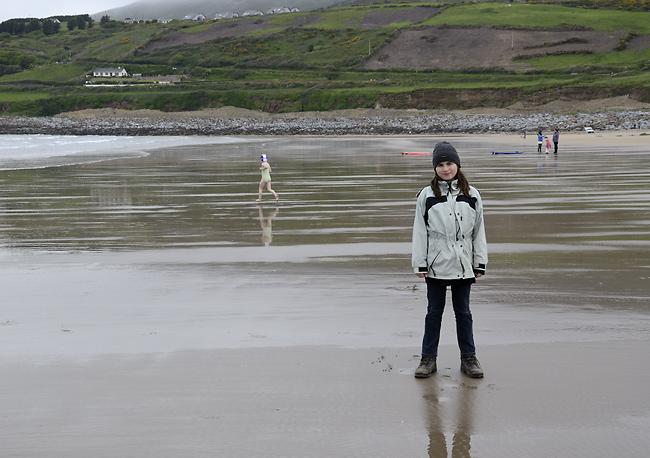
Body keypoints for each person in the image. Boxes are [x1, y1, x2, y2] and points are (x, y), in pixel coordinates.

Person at [411, 141, 488, 379]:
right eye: (441, 164)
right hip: (435, 264)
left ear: (457, 165)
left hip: (463, 263)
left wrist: (479, 262)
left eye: (449, 163)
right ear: (435, 168)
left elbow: (478, 231)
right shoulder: (426, 195)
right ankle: (428, 359)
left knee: (463, 312)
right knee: (434, 312)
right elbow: (420, 231)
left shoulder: (472, 194)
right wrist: (420, 263)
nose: (445, 169)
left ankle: (469, 359)